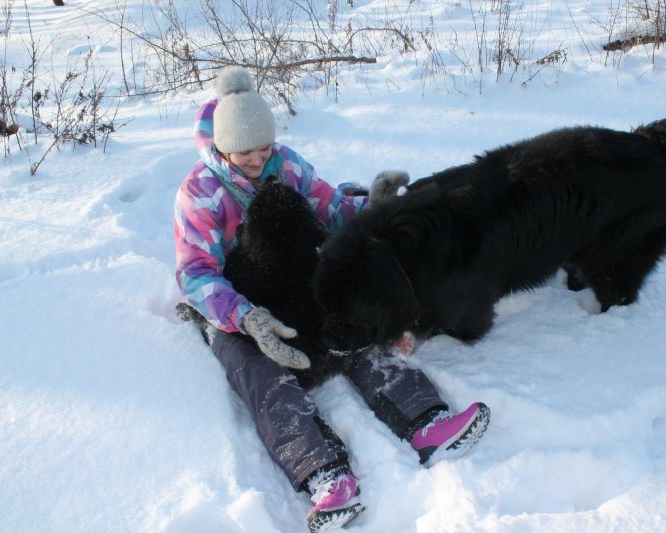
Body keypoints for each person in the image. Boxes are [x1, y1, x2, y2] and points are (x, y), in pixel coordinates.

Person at [174, 66, 491, 532]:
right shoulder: (200, 192)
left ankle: (427, 420)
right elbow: (195, 272)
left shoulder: (285, 164)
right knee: (258, 367)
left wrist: (375, 206)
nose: (259, 160)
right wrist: (246, 317)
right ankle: (324, 475)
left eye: (265, 148)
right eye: (246, 152)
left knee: (348, 324)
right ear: (223, 146)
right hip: (237, 302)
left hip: (292, 279)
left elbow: (330, 208)